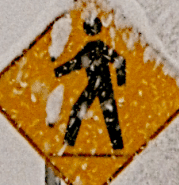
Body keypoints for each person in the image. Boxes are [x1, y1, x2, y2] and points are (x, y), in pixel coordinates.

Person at [54, 17, 126, 150]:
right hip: (96, 85)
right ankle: (69, 143)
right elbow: (75, 63)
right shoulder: (91, 47)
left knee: (108, 115)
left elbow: (119, 60)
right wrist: (58, 71)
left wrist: (121, 82)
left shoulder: (99, 46)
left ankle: (118, 147)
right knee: (103, 114)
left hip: (102, 84)